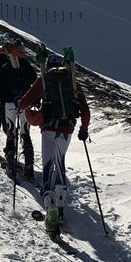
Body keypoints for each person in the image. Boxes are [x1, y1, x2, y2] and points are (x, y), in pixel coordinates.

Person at [18, 49, 90, 237]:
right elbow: (85, 110)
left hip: (49, 130)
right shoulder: (72, 82)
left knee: (48, 168)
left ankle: (50, 211)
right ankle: (60, 208)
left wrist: (20, 106)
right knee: (60, 164)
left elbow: (25, 101)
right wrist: (83, 129)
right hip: (67, 131)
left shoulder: (44, 79)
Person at [0, 42, 38, 180]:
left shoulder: (6, 67)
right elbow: (35, 83)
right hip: (25, 103)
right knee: (25, 133)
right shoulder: (27, 66)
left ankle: (10, 164)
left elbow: (0, 86)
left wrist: (0, 98)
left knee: (11, 131)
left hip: (10, 103)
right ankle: (29, 166)